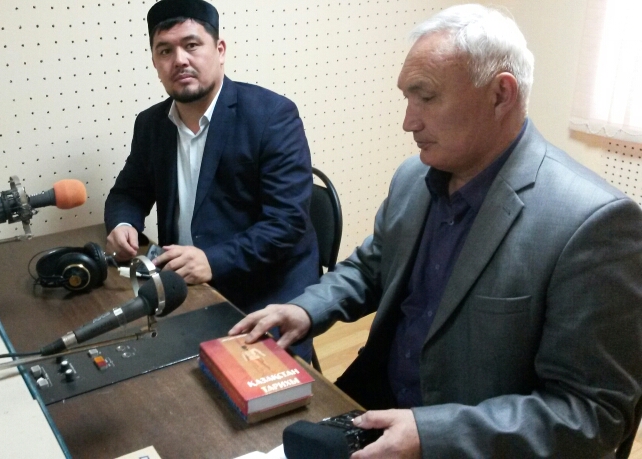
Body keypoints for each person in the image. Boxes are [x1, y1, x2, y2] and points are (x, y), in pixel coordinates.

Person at [230, 4, 642, 458]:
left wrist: (434, 434)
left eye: (425, 97)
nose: (409, 121)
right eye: (407, 98)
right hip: (371, 406)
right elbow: (371, 268)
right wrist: (305, 309)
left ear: (500, 94)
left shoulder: (594, 224)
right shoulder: (414, 178)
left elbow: (592, 414)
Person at [104, 0, 319, 360]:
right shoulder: (151, 124)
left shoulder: (273, 116)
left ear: (219, 51)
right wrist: (124, 222)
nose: (179, 60)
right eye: (165, 50)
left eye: (191, 45)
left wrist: (212, 260)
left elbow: (287, 223)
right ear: (155, 62)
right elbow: (128, 192)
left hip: (264, 290)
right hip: (184, 284)